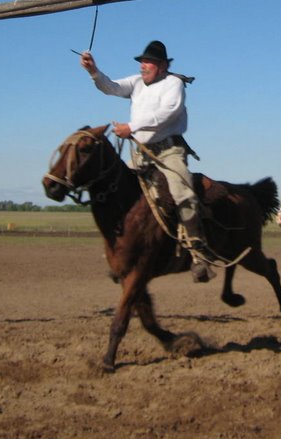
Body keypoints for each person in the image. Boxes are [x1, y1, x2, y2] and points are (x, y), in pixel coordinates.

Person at [80, 40, 213, 282]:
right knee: (119, 193)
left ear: (162, 65)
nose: (142, 66)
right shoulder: (137, 83)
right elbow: (110, 87)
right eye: (141, 62)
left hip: (168, 153)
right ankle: (123, 252)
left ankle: (197, 252)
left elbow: (168, 112)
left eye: (147, 62)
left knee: (182, 193)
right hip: (140, 153)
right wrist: (93, 71)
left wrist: (131, 126)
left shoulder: (174, 84)